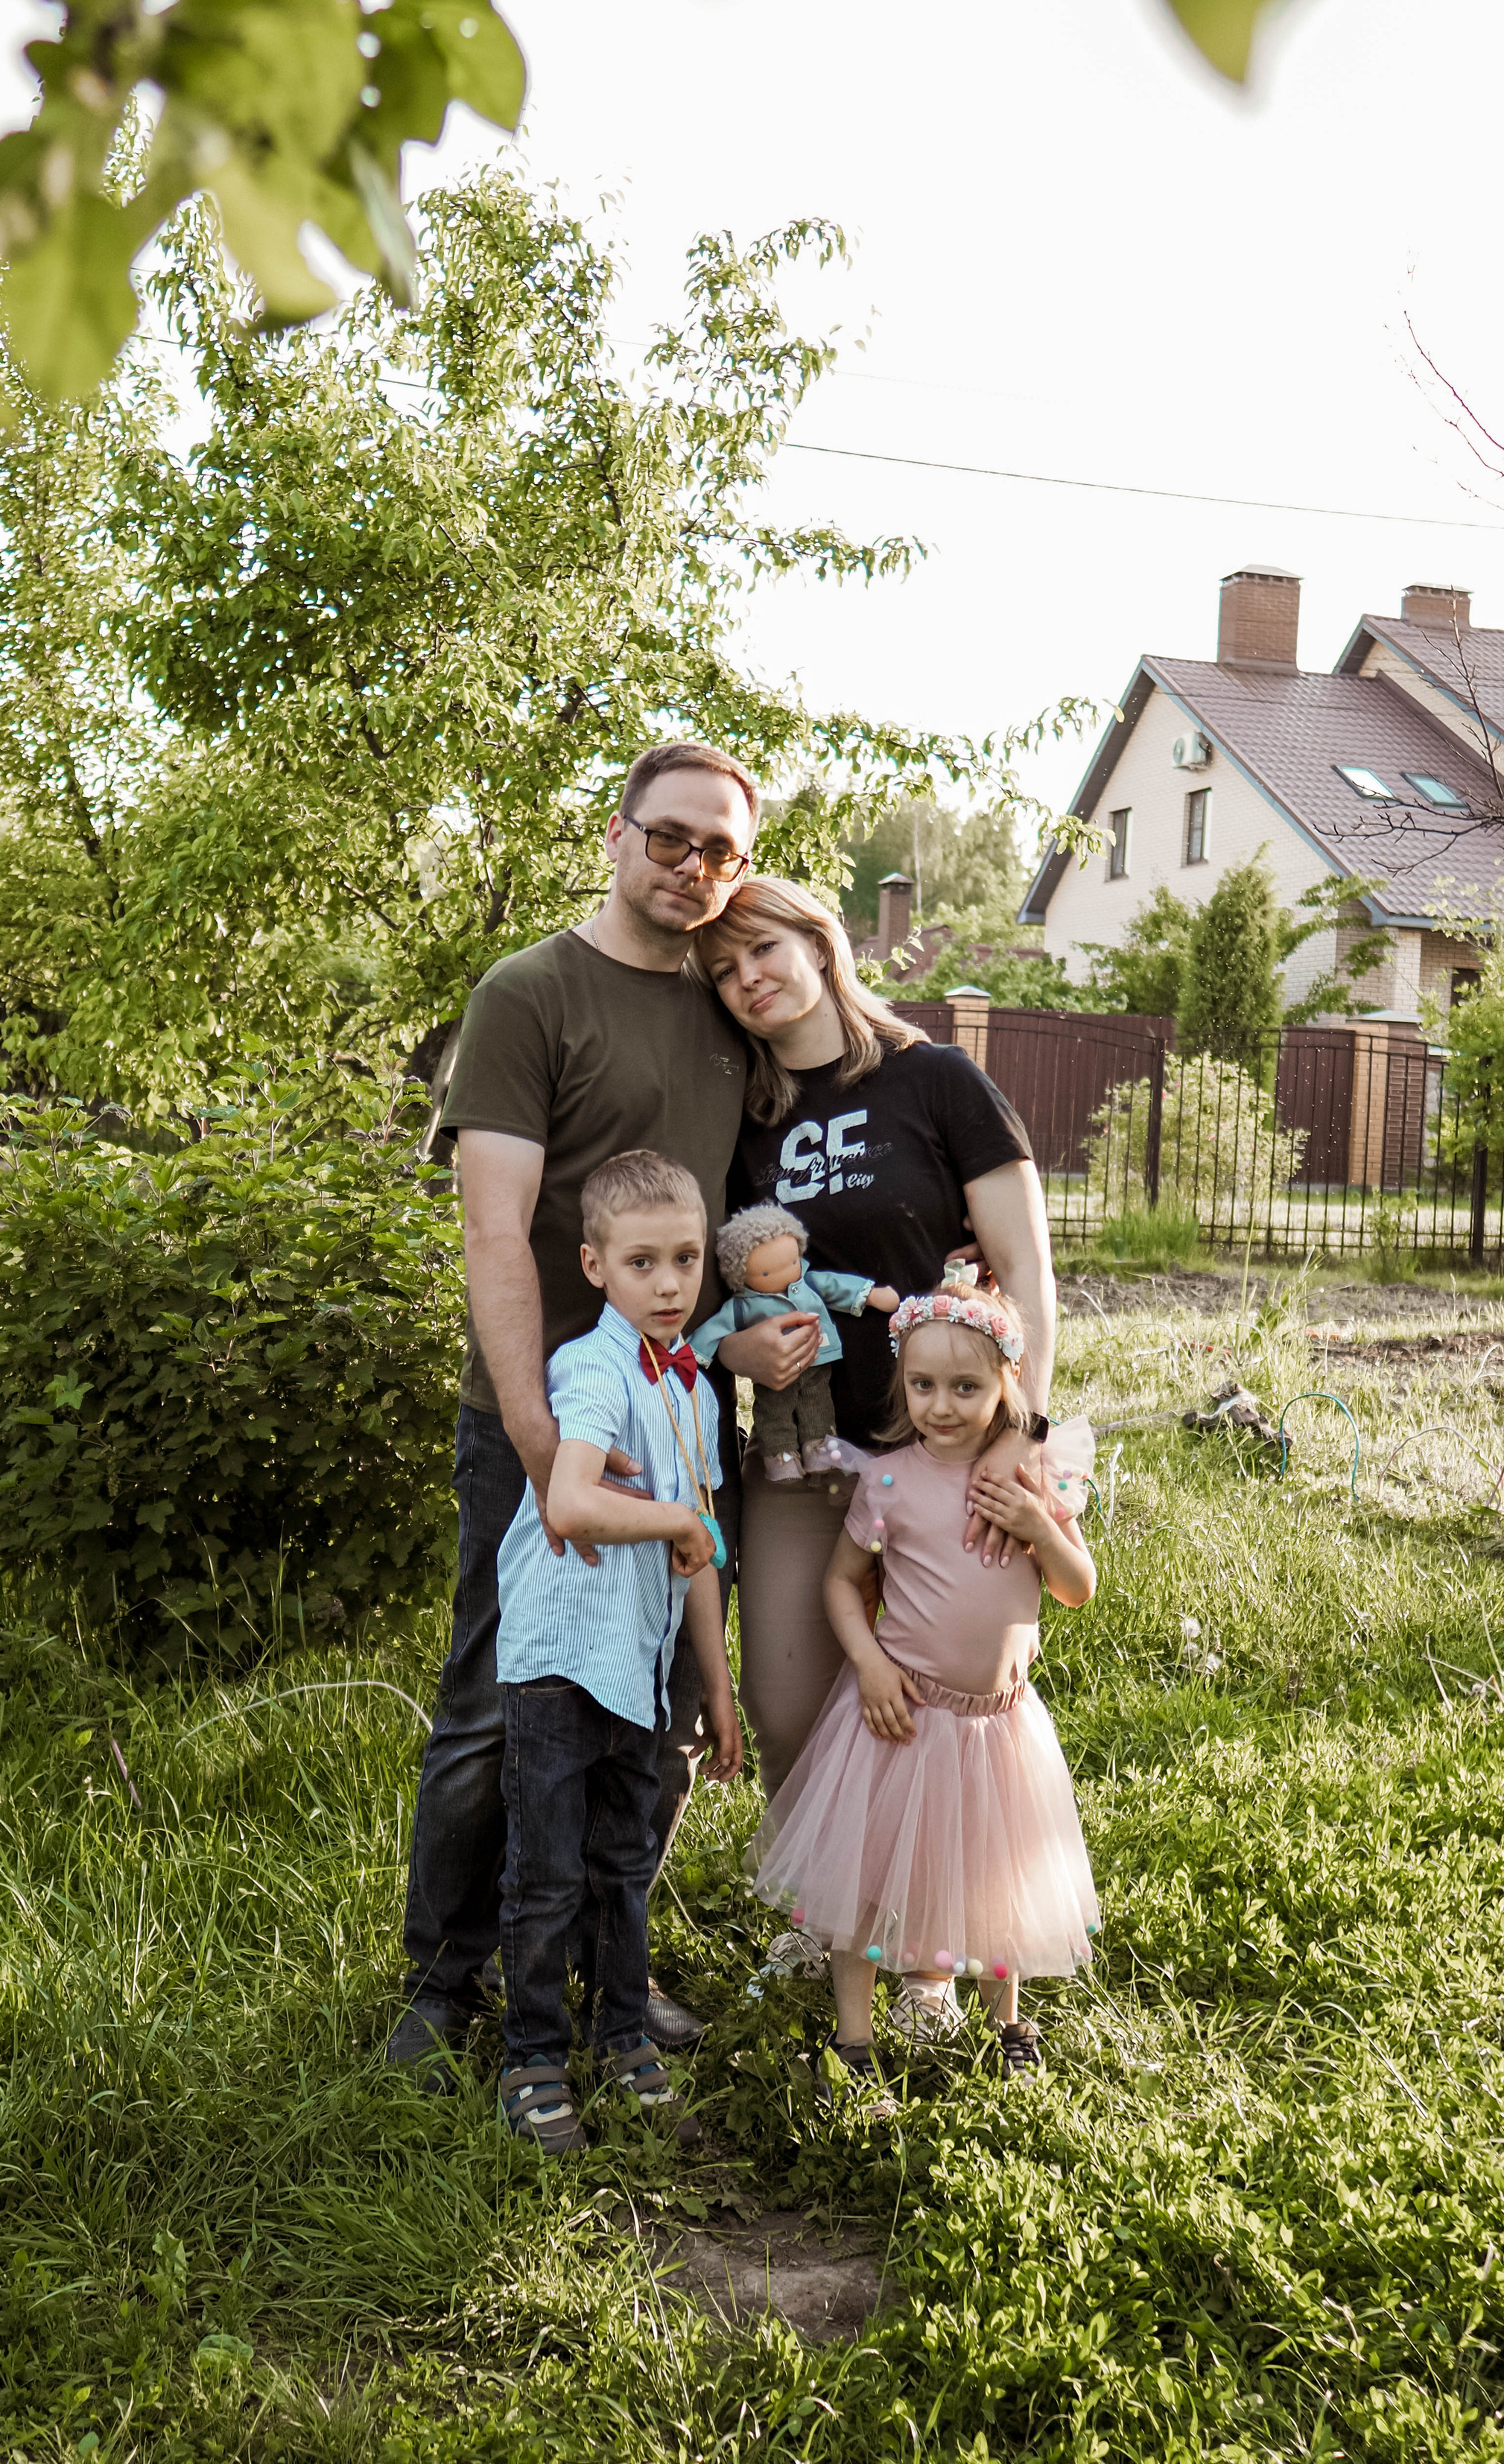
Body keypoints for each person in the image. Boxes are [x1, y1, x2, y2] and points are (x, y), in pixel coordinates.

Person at [390, 741, 803, 2082]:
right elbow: (495, 1233)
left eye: (720, 849)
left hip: (682, 1418)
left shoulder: (728, 1012)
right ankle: (444, 1980)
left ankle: (602, 1964)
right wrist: (536, 1442)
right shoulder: (530, 994)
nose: (692, 866)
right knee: (497, 1704)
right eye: (670, 836)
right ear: (617, 835)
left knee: (661, 1707)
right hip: (549, 1419)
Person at [688, 873, 1059, 2041]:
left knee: (943, 1712)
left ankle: (928, 1950)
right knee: (788, 1697)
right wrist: (739, 1346)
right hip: (804, 1456)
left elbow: (1026, 1271)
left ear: (821, 941)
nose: (748, 979)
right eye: (723, 969)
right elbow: (716, 1285)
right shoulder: (742, 1121)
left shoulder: (936, 1079)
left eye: (764, 949)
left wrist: (1024, 1440)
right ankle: (835, 1907)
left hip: (944, 1459)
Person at [749, 1283, 1099, 2092]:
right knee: (865, 1876)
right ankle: (854, 2039)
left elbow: (1076, 1586)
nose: (941, 1405)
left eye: (966, 1386)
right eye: (922, 1385)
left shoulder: (1029, 1476)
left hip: (998, 1723)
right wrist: (868, 1662)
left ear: (1007, 1383)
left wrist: (1038, 1527)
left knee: (996, 1871)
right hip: (901, 1714)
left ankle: (1007, 2023)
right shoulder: (889, 1483)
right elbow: (842, 1582)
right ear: (901, 1383)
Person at [494, 1152, 743, 2156]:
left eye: (686, 1258)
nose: (670, 1282)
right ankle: (533, 2057)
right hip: (561, 1660)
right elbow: (570, 1500)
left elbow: (701, 1548)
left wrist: (717, 1686)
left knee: (622, 1863)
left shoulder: (697, 1392)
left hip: (639, 1666)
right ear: (596, 1266)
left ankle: (621, 2035)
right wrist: (676, 1518)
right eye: (643, 1262)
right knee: (548, 1873)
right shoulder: (591, 1369)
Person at [691, 1203, 897, 1482]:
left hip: (818, 1358)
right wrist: (693, 1353)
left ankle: (819, 1448)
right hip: (773, 1372)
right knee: (774, 1411)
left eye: (792, 1263)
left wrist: (870, 1295)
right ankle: (780, 1455)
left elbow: (836, 1286)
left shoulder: (808, 1284)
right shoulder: (742, 1306)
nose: (787, 1274)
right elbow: (715, 1328)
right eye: (766, 1274)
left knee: (817, 1403)